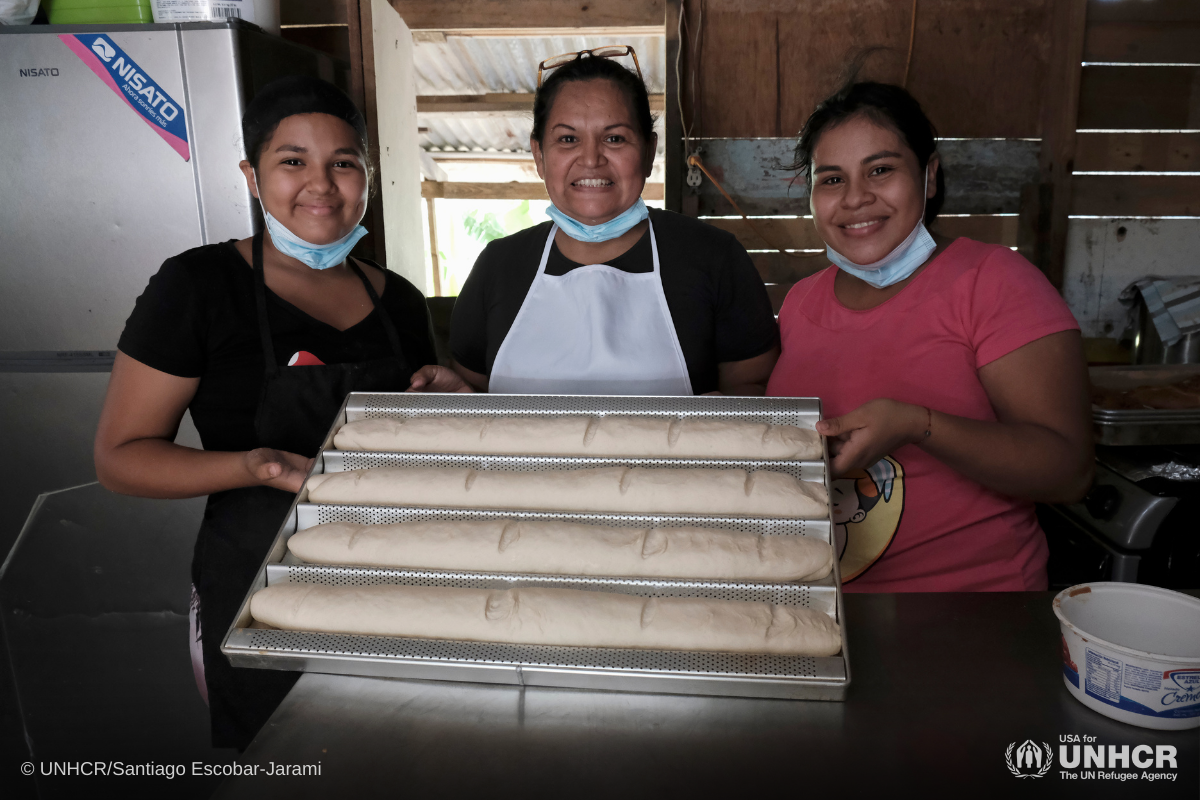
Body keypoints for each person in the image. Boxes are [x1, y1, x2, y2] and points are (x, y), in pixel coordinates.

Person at [93, 76, 437, 749]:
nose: (322, 183)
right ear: (253, 176)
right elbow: (120, 459)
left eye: (344, 162)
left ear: (366, 175)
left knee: (398, 757)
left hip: (395, 575)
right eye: (292, 161)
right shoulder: (198, 286)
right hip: (259, 587)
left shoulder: (397, 299)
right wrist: (256, 466)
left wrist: (446, 405)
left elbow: (413, 449)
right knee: (281, 758)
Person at [766, 81, 1093, 592]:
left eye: (881, 170)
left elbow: (1067, 472)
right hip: (821, 614)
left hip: (968, 616)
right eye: (831, 179)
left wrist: (917, 425)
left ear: (929, 175)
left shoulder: (994, 283)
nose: (856, 198)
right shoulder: (801, 302)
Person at [409, 48, 779, 396]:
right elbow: (476, 400)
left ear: (649, 152)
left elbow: (752, 393)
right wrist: (460, 399)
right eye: (568, 139)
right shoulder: (498, 266)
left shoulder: (715, 258)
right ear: (539, 154)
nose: (591, 159)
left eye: (615, 138)